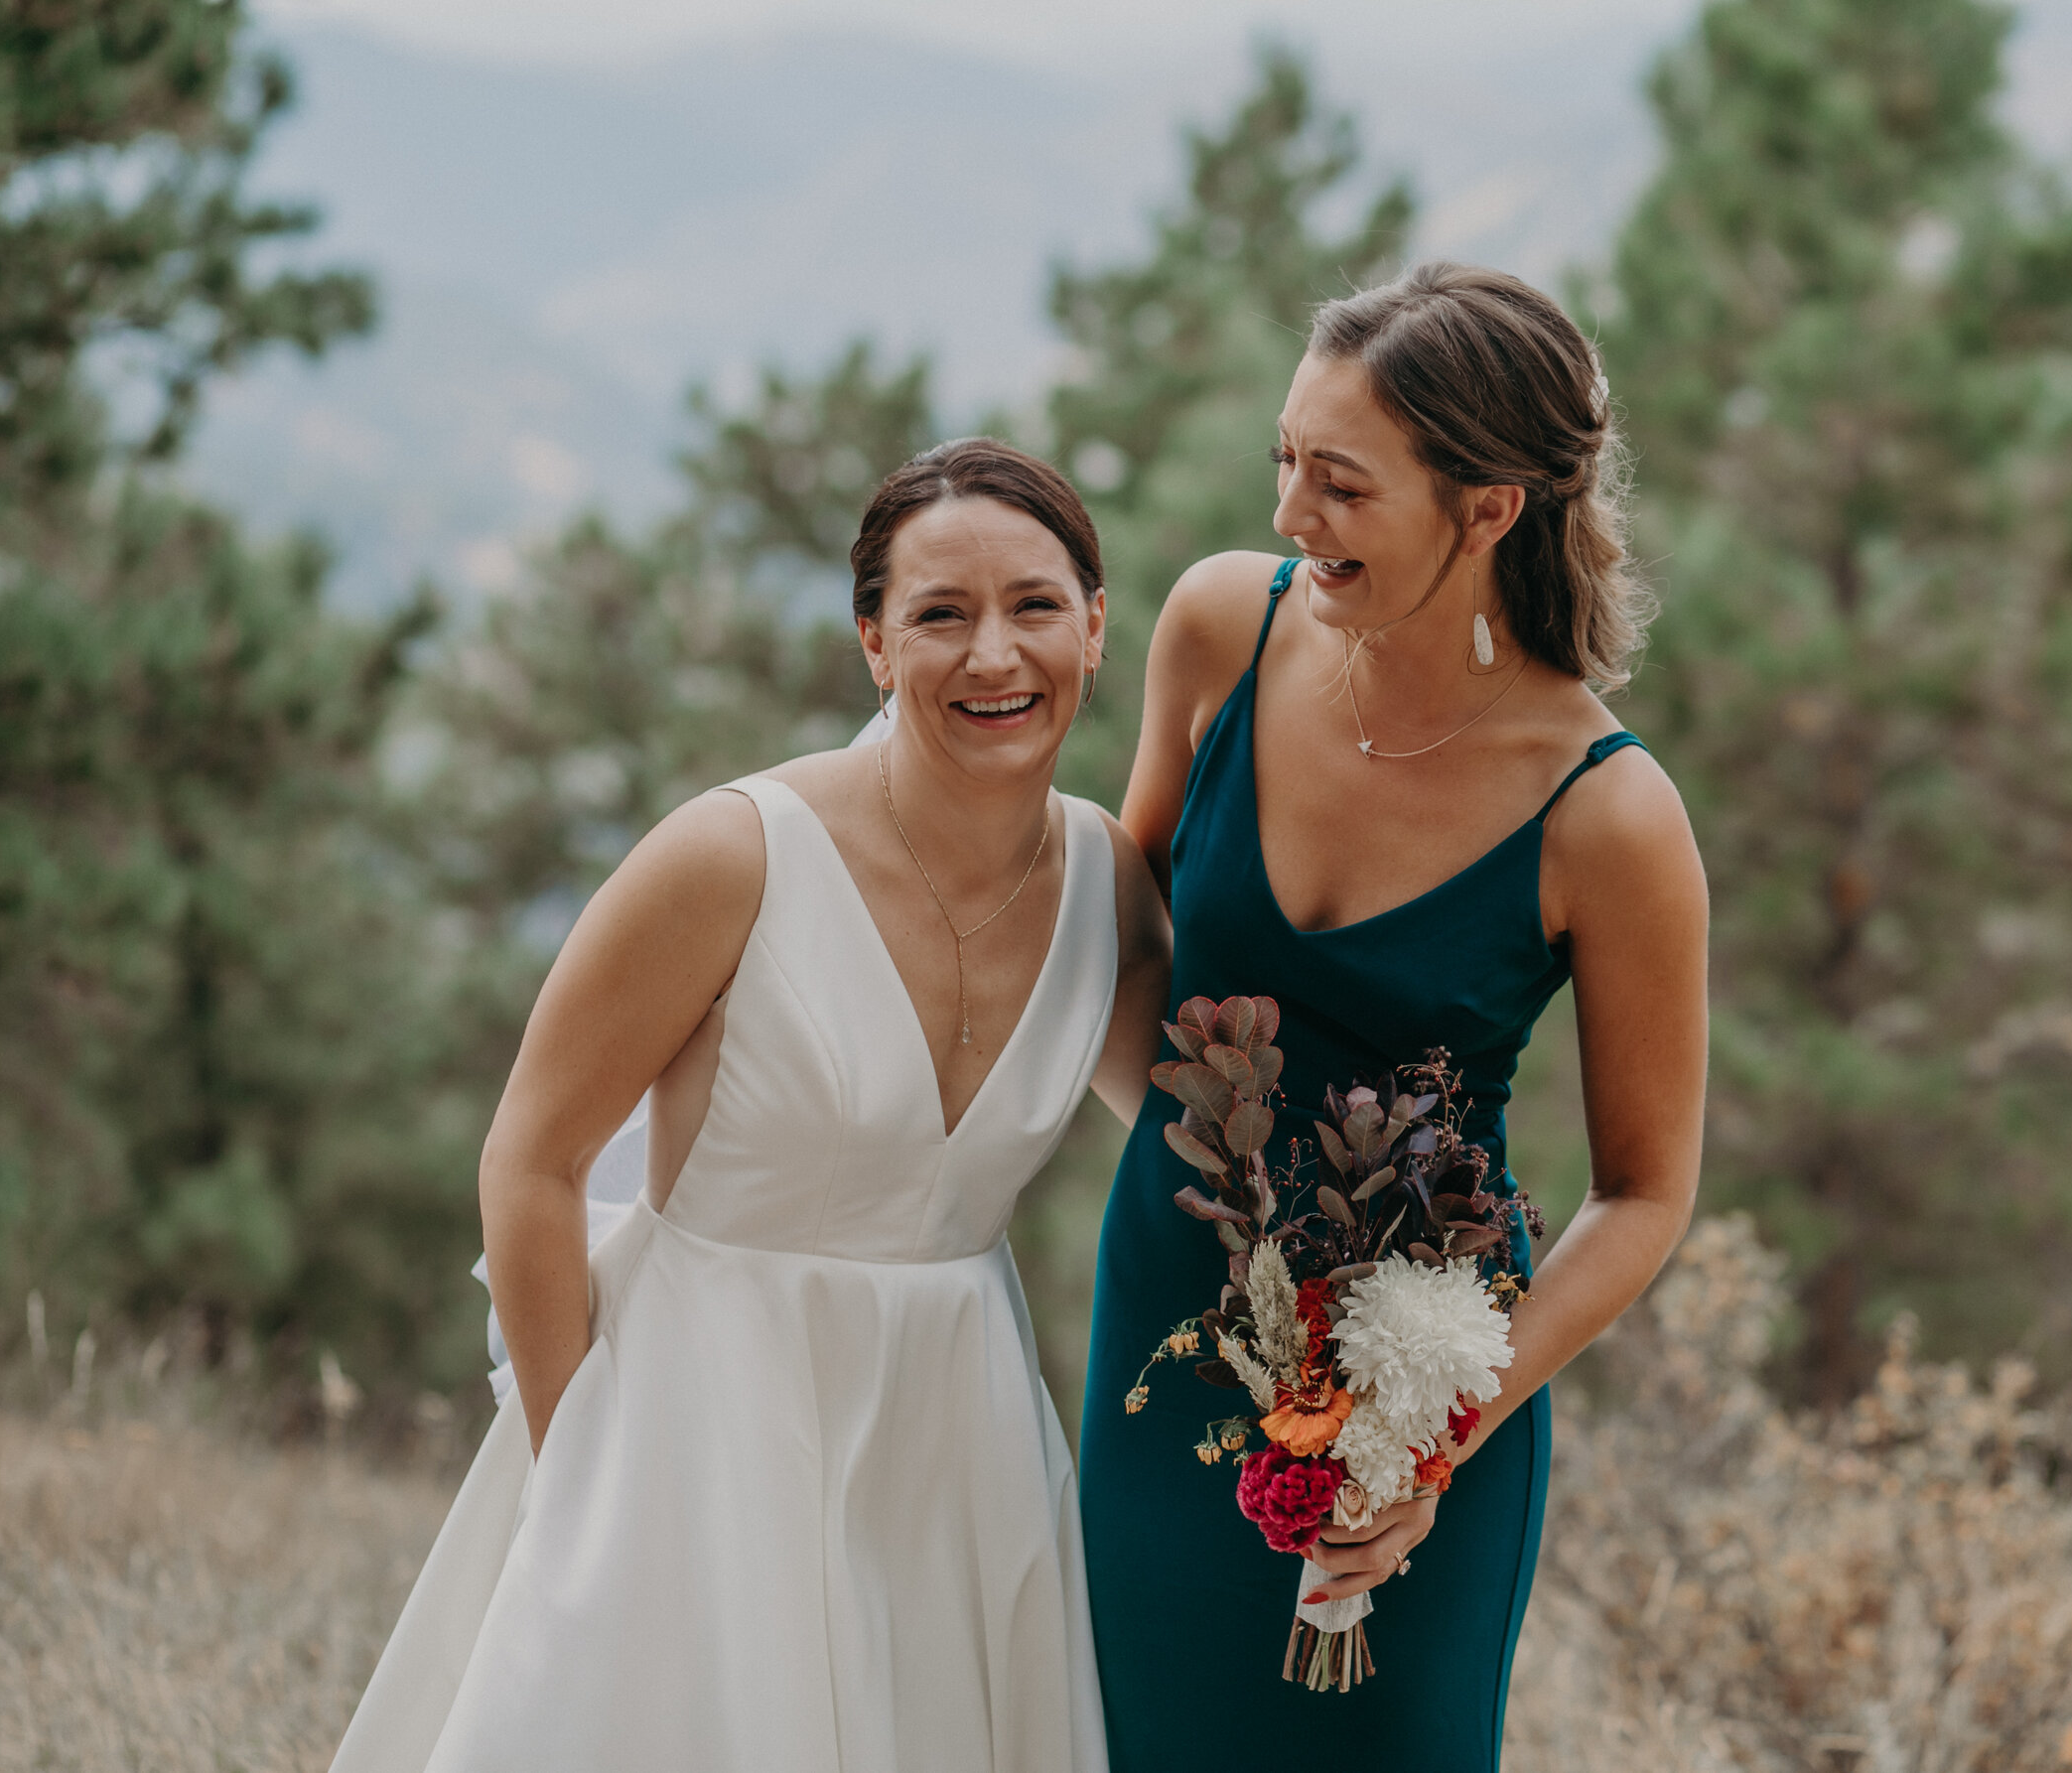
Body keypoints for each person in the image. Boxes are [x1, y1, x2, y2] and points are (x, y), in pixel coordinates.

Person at [332, 438, 1168, 1773]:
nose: (995, 655)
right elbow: (532, 1158)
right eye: (939, 615)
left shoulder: (1110, 884)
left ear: (1097, 626)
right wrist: (587, 1458)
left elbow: (1197, 1135)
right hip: (699, 1426)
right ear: (874, 645)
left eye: (1034, 607)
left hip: (961, 1442)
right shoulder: (732, 855)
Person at [1078, 262, 1709, 1768]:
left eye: (1343, 485)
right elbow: (1118, 942)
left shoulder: (1610, 817)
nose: (1292, 512)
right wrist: (1227, 1204)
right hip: (1171, 1321)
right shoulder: (1222, 627)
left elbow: (1645, 1194)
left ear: (1488, 506)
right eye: (1285, 459)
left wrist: (1422, 1437)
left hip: (1427, 1377)